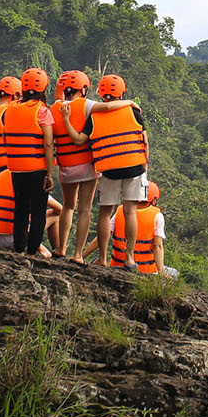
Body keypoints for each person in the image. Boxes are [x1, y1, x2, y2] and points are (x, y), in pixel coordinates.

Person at [79, 73, 148, 271]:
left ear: (101, 92)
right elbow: (144, 140)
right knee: (130, 211)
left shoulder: (94, 115)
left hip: (109, 169)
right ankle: (130, 259)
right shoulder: (132, 110)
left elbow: (82, 139)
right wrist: (145, 165)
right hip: (135, 167)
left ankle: (101, 258)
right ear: (122, 92)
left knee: (105, 213)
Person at [2, 68, 55, 256]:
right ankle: (32, 250)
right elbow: (48, 144)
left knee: (21, 208)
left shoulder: (11, 108)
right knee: (39, 210)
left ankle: (19, 248)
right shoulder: (42, 111)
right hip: (37, 168)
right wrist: (49, 174)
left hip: (16, 167)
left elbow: (4, 135)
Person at [50, 69, 98, 262]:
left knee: (68, 206)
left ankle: (61, 248)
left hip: (67, 167)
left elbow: (57, 98)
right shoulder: (88, 105)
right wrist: (129, 102)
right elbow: (109, 107)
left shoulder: (55, 107)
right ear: (84, 88)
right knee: (85, 209)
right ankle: (78, 254)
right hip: (87, 166)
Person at [111, 181, 174, 275]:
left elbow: (102, 236)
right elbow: (157, 246)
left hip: (117, 266)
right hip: (146, 270)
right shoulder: (157, 216)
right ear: (153, 200)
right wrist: (161, 273)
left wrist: (83, 255)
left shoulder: (120, 211)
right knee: (174, 272)